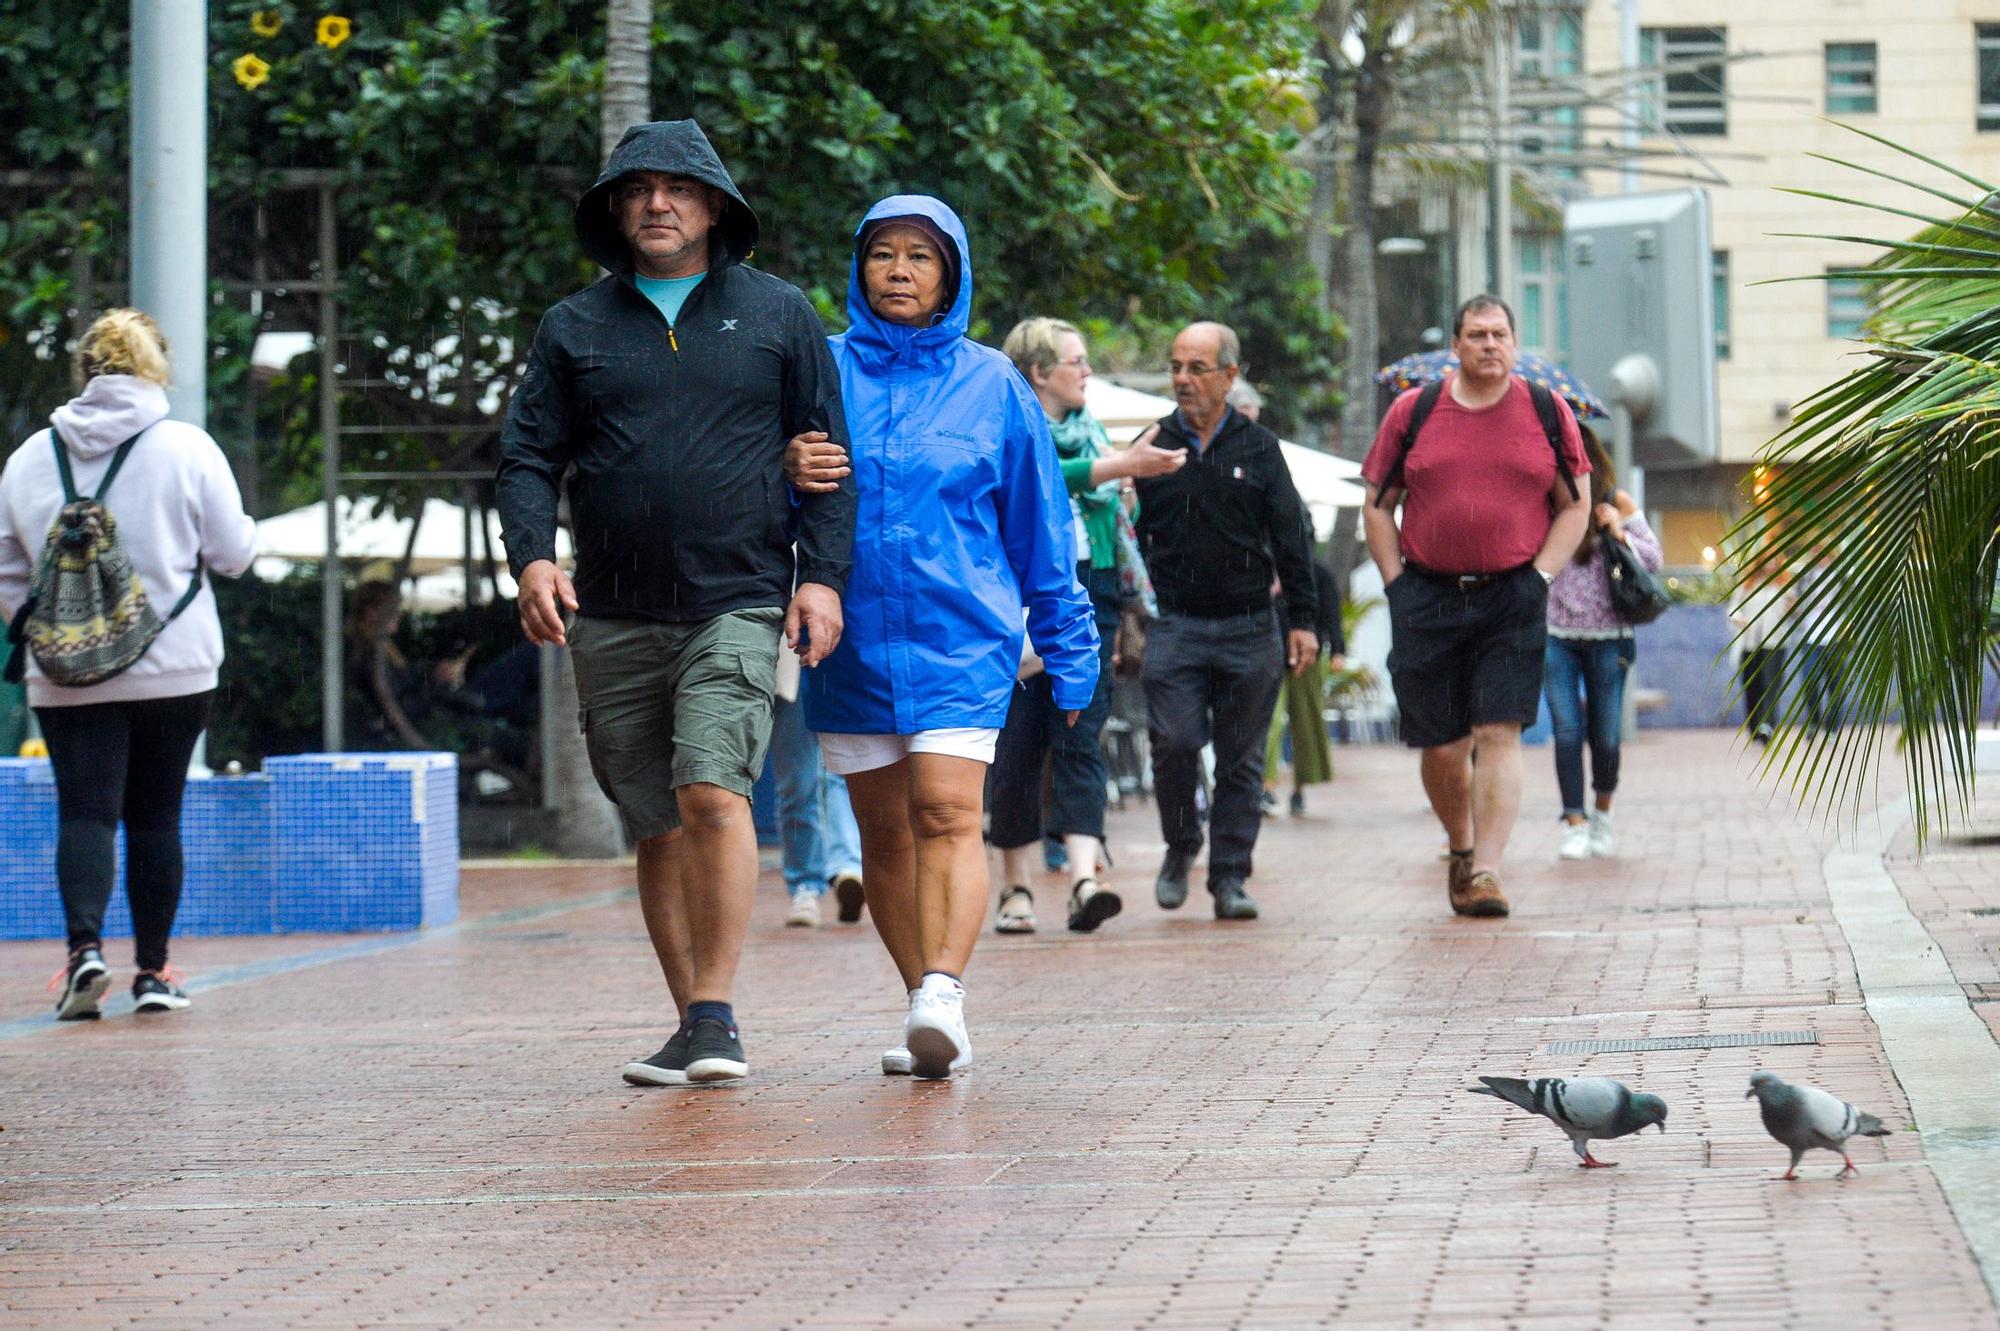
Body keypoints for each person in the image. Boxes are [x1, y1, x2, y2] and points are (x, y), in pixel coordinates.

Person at [496, 120, 853, 1087]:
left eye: (679, 189)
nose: (659, 204)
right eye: (639, 189)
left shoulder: (778, 314)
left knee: (711, 788)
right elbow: (527, 457)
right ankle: (689, 1018)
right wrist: (533, 558)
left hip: (736, 596)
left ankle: (718, 1011)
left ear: (714, 207)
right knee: (654, 818)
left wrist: (818, 577)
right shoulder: (574, 327)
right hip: (609, 609)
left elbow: (827, 462)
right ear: (616, 209)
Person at [802, 196, 1097, 1079]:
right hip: (846, 637)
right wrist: (786, 469)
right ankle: (922, 1004)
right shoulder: (817, 371)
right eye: (883, 254)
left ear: (950, 277)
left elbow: (1040, 530)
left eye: (920, 257)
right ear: (859, 270)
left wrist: (1070, 651)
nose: (899, 270)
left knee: (946, 810)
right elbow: (767, 492)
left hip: (961, 634)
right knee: (883, 834)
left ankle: (943, 987)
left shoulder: (994, 385)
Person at [0, 309, 257, 1019]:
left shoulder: (29, 457)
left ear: (84, 370)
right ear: (156, 368)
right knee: (155, 816)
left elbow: (7, 570)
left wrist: (57, 634)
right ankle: (152, 970)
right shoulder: (187, 447)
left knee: (84, 814)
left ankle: (84, 954)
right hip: (175, 663)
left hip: (63, 673)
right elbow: (234, 554)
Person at [1362, 295, 1590, 918]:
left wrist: (1541, 576)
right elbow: (1378, 505)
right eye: (1477, 335)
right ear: (1456, 346)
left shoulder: (1546, 412)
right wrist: (1395, 583)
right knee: (1441, 743)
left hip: (1512, 594)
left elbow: (1576, 503)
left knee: (1498, 730)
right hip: (1427, 593)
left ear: (1515, 344)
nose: (1490, 345)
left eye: (1500, 335)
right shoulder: (1416, 411)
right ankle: (1461, 846)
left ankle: (1487, 869)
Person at [985, 317, 1183, 935]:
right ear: (1040, 372)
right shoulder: (1007, 430)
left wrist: (1122, 480)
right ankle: (1015, 887)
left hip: (1087, 594)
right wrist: (1118, 467)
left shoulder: (1092, 434)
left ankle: (1083, 879)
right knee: (1015, 745)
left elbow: (1108, 525)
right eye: (1076, 362)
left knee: (1081, 736)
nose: (1088, 372)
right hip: (1013, 601)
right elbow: (1042, 478)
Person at [1134, 322, 1318, 923]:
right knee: (1175, 743)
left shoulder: (1259, 447)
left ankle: (1230, 876)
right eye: (1177, 366)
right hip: (1177, 626)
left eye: (1197, 367)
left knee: (1241, 761)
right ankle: (1181, 843)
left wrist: (1304, 621)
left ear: (1229, 376)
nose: (1183, 379)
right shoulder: (1154, 445)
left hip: (1248, 628)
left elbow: (1293, 537)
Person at [1543, 427, 1661, 860]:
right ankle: (1574, 821)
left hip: (1609, 638)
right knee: (1567, 731)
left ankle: (1603, 816)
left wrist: (1618, 531)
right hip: (1556, 636)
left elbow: (1653, 560)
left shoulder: (1616, 500)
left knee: (1606, 736)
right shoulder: (1545, 504)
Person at [769, 647, 863, 927]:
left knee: (841, 771)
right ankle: (807, 885)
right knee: (798, 781)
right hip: (789, 656)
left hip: (837, 653)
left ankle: (846, 867)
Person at [1265, 531, 1346, 818]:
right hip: (1271, 652)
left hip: (1308, 656)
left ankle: (1299, 788)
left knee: (1306, 722)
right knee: (1269, 722)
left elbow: (1332, 614)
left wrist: (1338, 649)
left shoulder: (1317, 571)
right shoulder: (1267, 567)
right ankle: (1267, 786)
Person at [1729, 560, 1787, 744]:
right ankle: (1755, 726)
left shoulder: (1784, 586)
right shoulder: (1748, 586)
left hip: (1774, 643)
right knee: (1751, 686)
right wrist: (1740, 619)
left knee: (1770, 685)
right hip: (1750, 643)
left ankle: (1767, 725)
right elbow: (1732, 610)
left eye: (1774, 563)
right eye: (1767, 562)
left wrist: (1792, 607)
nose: (1770, 566)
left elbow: (1794, 613)